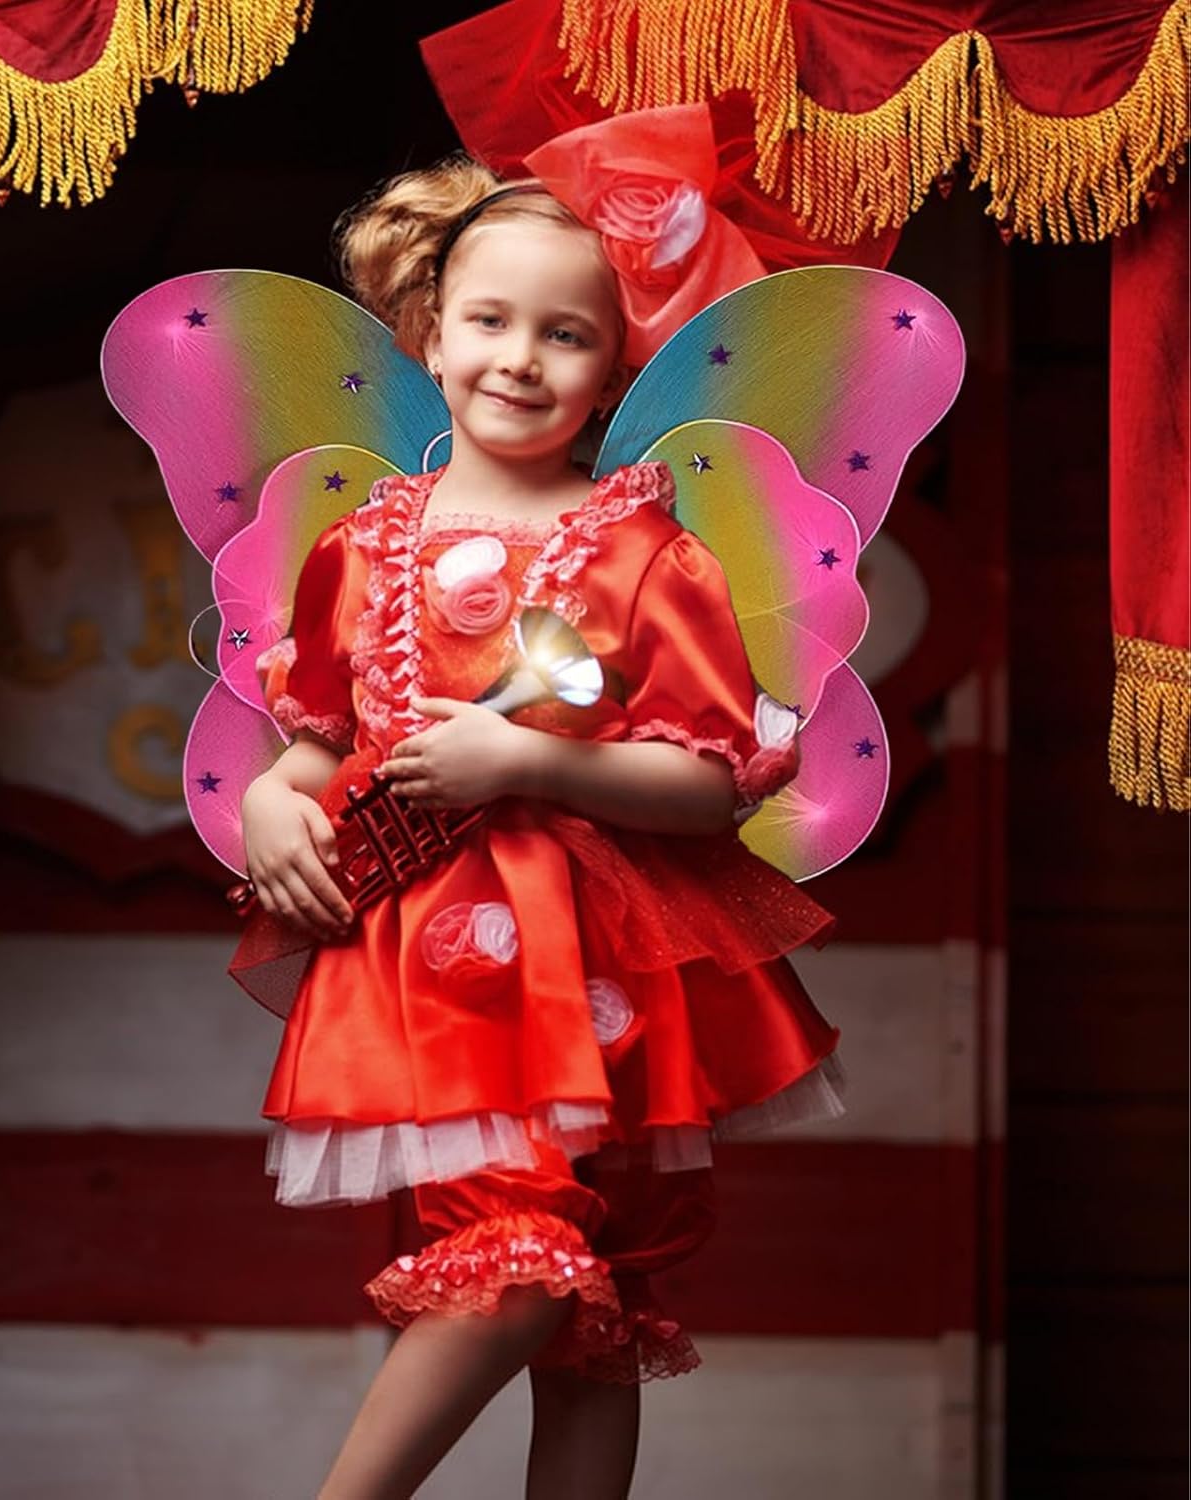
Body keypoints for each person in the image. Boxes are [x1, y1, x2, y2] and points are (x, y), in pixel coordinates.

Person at [233, 146, 845, 1500]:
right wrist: (272, 805)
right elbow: (316, 743)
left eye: (566, 334)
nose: (520, 358)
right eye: (490, 320)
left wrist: (529, 760)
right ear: (429, 332)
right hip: (436, 980)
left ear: (617, 369)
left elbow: (709, 781)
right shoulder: (360, 550)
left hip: (608, 972)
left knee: (591, 1316)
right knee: (514, 1270)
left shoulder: (646, 554)